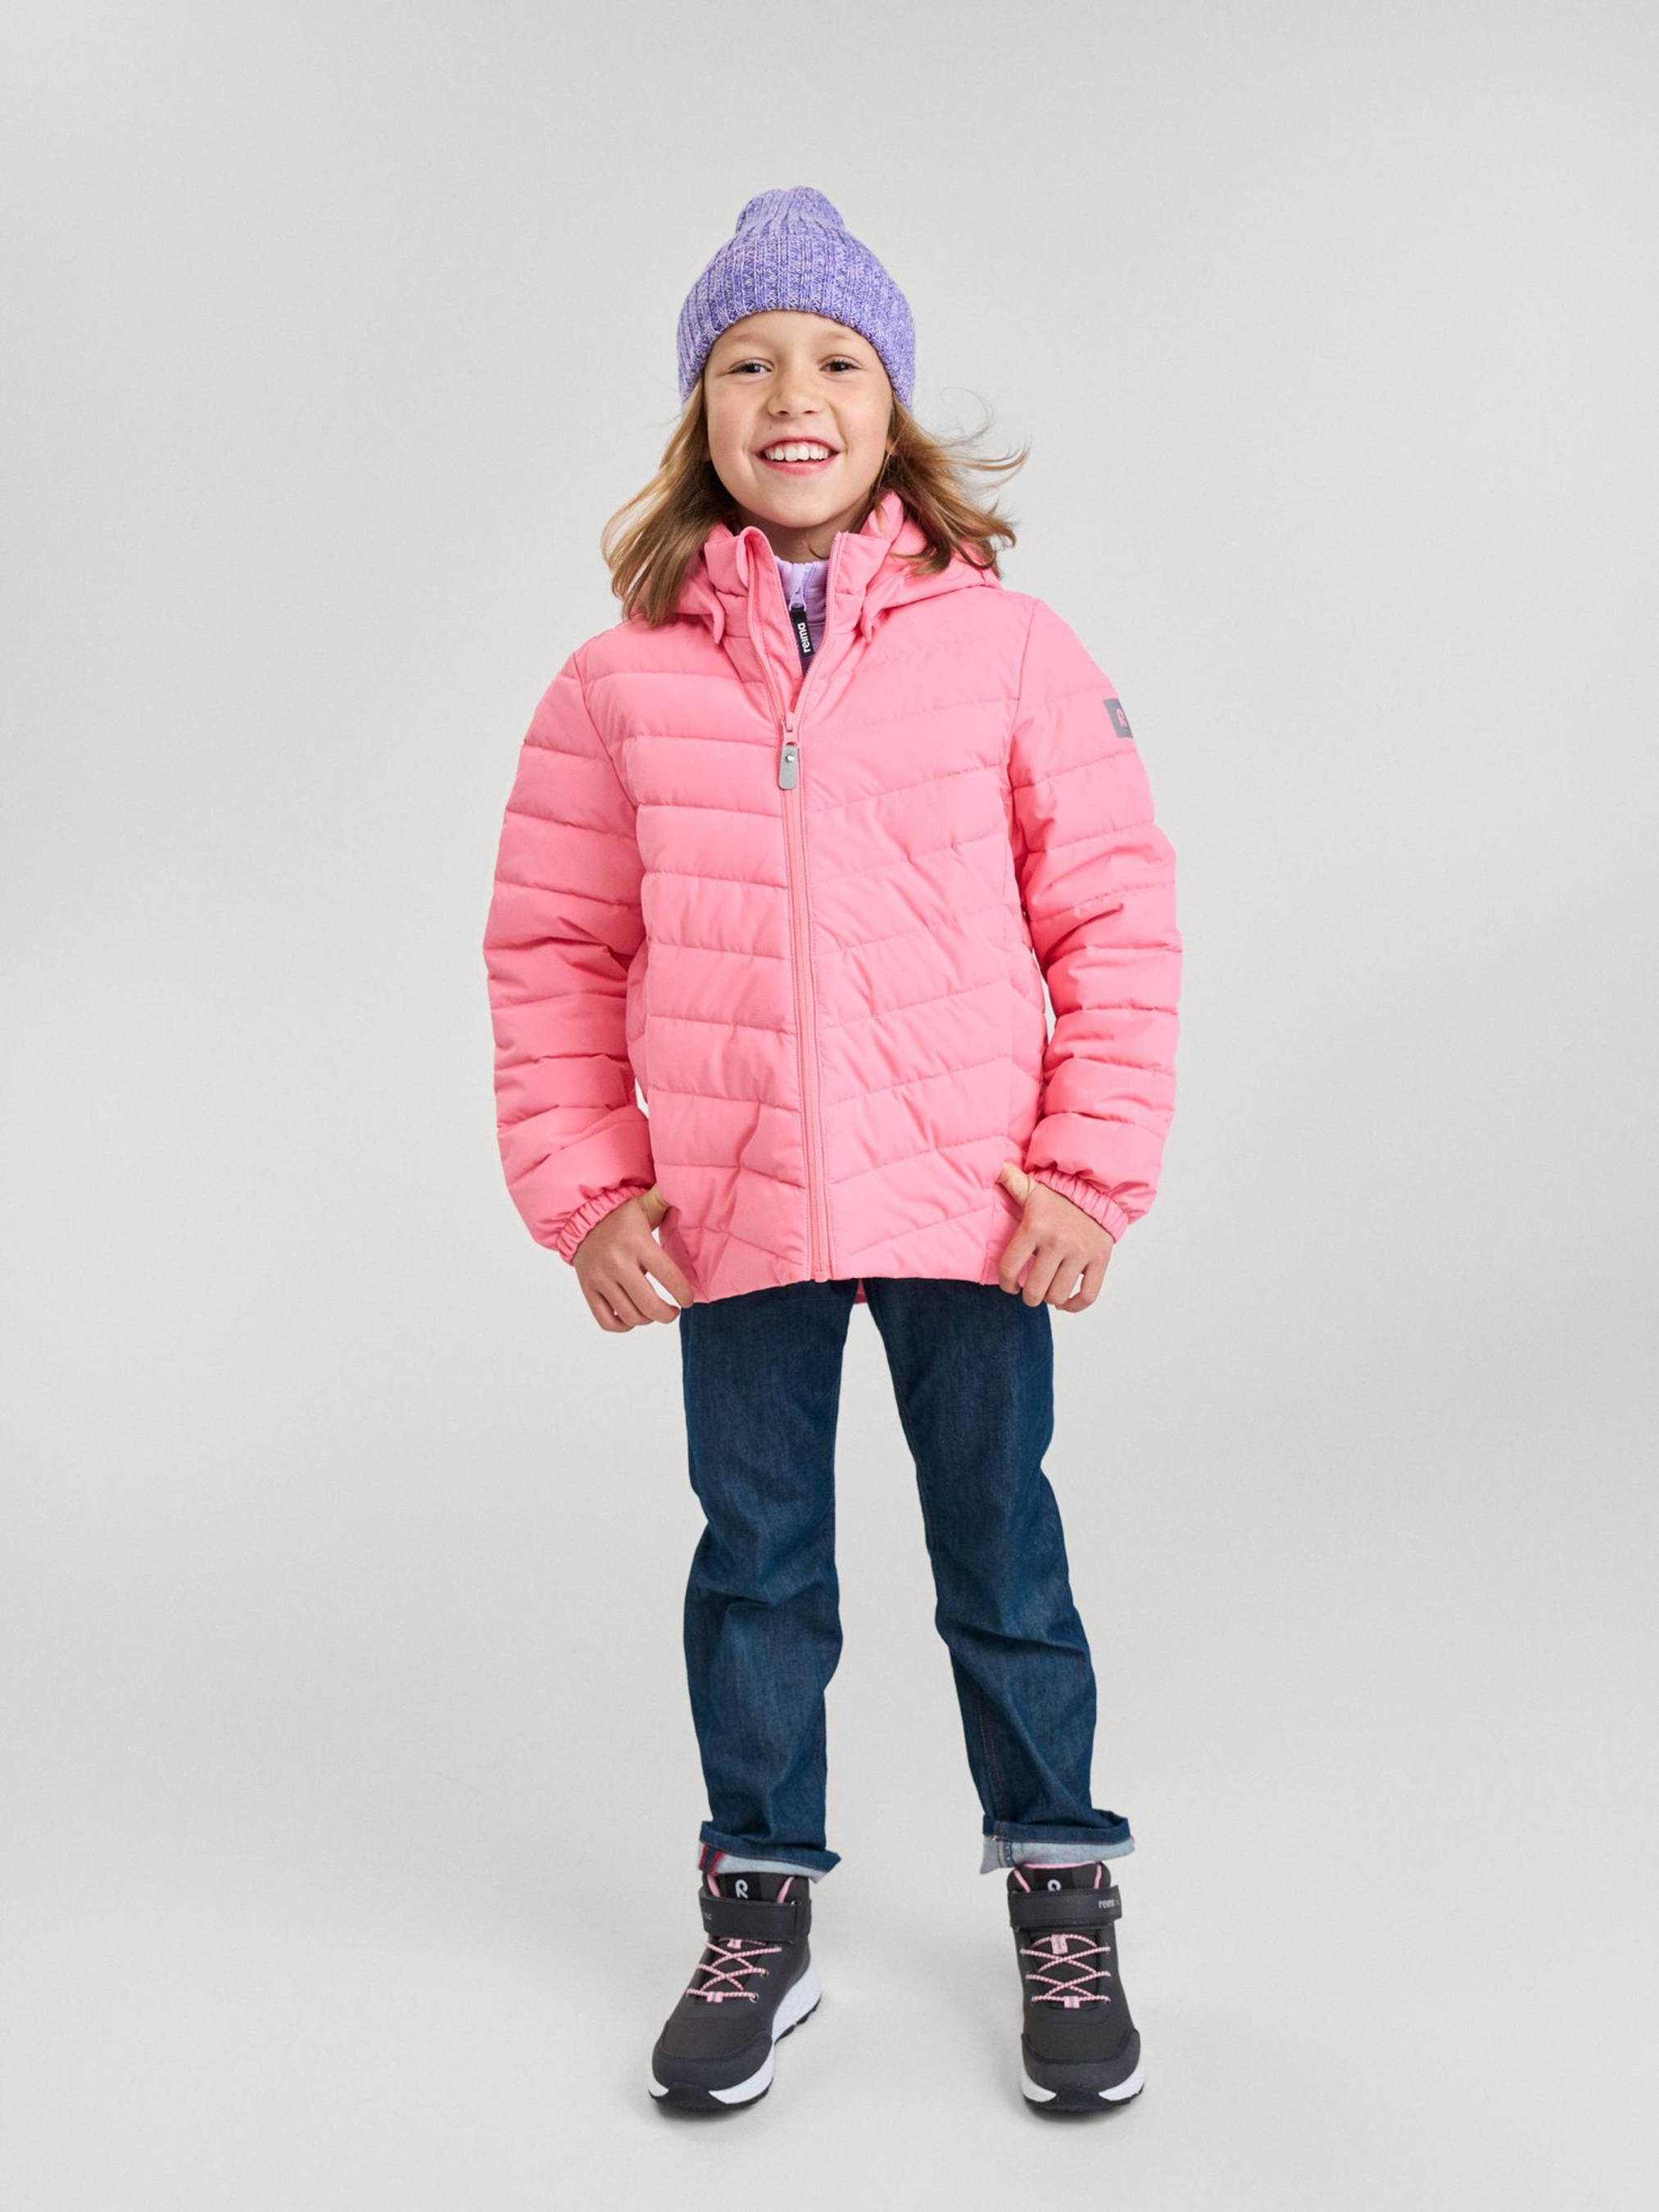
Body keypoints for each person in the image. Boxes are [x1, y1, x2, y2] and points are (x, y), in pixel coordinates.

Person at [482, 186, 1181, 2115]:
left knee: (1000, 1553)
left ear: (890, 409)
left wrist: (1087, 1170)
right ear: (696, 412)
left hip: (973, 1207)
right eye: (746, 362)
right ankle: (759, 1902)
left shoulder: (1009, 652)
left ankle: (1059, 1882)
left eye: (834, 360)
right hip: (733, 1212)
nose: (791, 395)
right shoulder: (618, 685)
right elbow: (552, 947)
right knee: (760, 1568)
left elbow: (1112, 917)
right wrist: (589, 1193)